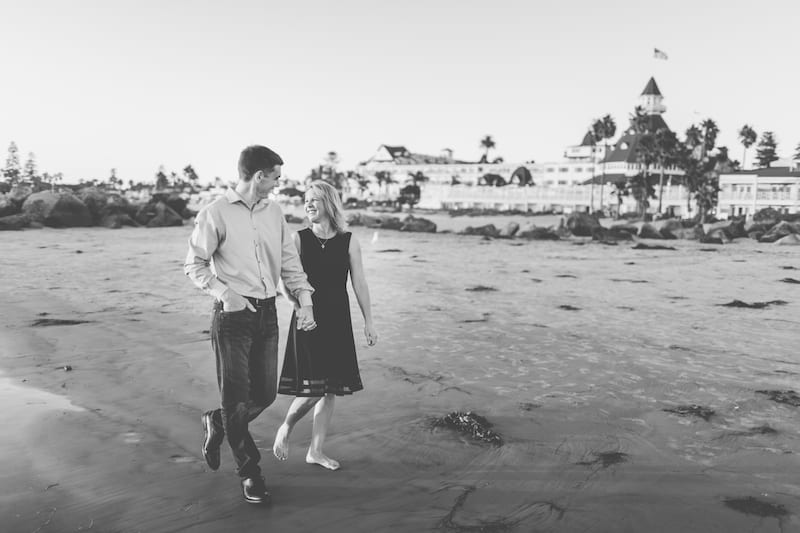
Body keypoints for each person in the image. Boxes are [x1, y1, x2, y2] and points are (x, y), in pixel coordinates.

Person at [184, 145, 316, 505]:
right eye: (275, 177)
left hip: (268, 312)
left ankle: (218, 422)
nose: (277, 184)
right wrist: (225, 293)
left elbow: (289, 262)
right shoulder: (216, 213)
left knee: (265, 394)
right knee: (235, 398)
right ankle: (250, 473)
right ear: (260, 176)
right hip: (233, 317)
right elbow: (194, 265)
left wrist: (304, 300)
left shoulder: (274, 213)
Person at [272, 180, 377, 471]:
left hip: (338, 318)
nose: (308, 205)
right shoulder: (299, 238)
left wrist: (369, 321)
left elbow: (359, 283)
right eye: (306, 200)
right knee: (313, 387)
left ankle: (315, 451)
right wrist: (297, 307)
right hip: (308, 319)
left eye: (314, 200)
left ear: (329, 205)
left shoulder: (349, 240)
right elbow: (285, 279)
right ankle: (286, 427)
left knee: (329, 389)